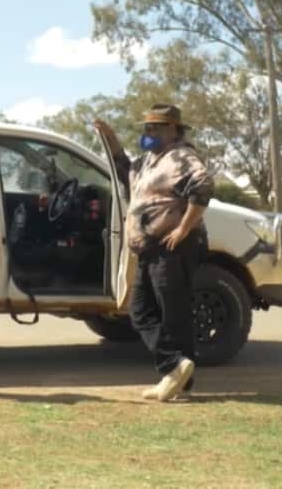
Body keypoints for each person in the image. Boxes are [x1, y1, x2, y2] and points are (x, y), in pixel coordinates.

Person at [94, 104, 214, 402]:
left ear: (174, 129)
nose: (149, 133)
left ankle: (174, 368)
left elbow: (202, 187)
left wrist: (183, 229)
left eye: (156, 128)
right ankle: (179, 378)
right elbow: (123, 169)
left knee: (169, 315)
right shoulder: (151, 160)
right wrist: (109, 138)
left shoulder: (181, 157)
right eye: (147, 128)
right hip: (151, 250)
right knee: (143, 311)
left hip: (173, 248)